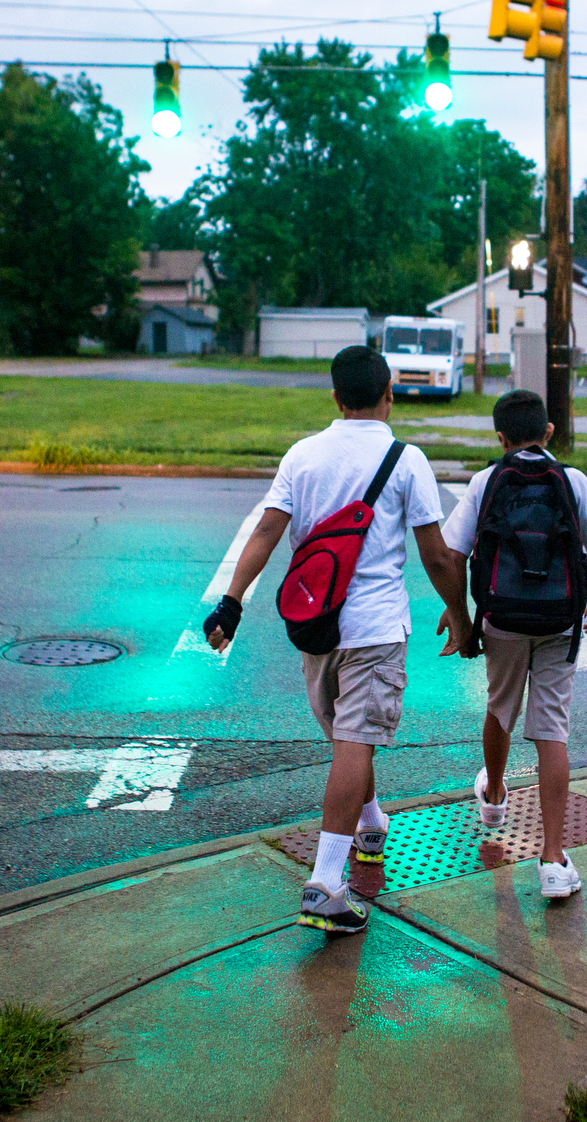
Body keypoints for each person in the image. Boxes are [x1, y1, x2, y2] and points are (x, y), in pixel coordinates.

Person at [201, 345, 473, 936]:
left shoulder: (303, 455)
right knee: (356, 741)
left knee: (350, 739)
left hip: (316, 624)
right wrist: (461, 613)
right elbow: (435, 553)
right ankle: (325, 884)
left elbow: (267, 530)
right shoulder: (406, 459)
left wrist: (231, 601)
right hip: (375, 628)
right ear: (390, 393)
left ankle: (370, 825)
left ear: (334, 396)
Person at [439, 389, 587, 900]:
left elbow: (453, 557)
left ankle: (494, 795)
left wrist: (462, 618)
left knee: (500, 706)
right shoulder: (574, 481)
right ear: (549, 433)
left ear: (500, 438)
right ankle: (553, 861)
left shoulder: (485, 481)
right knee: (552, 728)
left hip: (501, 617)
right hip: (560, 618)